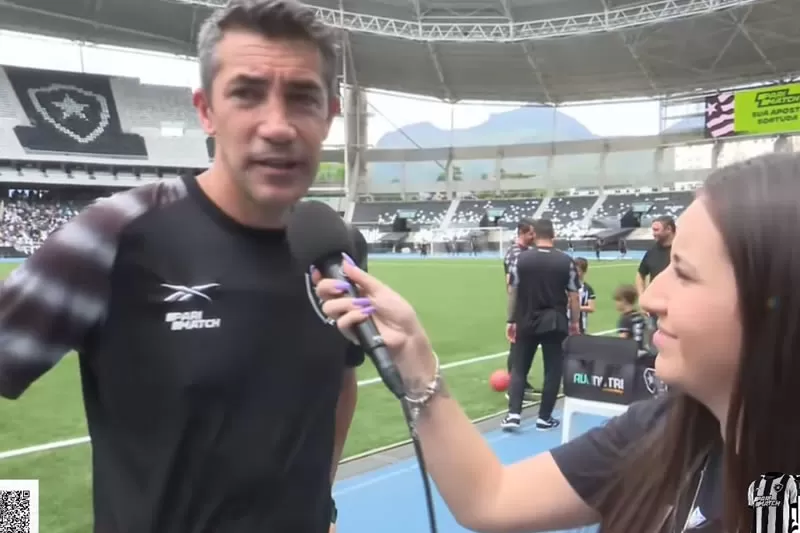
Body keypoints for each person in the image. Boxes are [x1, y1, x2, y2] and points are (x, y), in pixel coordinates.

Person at [0, 1, 361, 532]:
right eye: (247, 93)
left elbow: (340, 382)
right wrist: (14, 521)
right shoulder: (113, 235)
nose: (278, 126)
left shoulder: (335, 245)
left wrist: (320, 504)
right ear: (205, 110)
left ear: (329, 115)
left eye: (303, 98)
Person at [314, 152, 800, 533]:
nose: (654, 299)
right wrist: (416, 358)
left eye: (686, 274)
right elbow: (492, 496)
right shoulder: (664, 424)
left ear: (775, 301)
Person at [501, 218, 580, 431]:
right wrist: (574, 322)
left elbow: (513, 291)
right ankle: (544, 417)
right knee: (553, 369)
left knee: (519, 368)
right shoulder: (566, 261)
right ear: (553, 235)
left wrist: (511, 320)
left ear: (534, 234)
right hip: (555, 320)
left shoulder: (522, 259)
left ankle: (514, 414)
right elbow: (573, 295)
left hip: (526, 318)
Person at [502, 219, 536, 398]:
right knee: (517, 346)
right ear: (522, 233)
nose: (534, 237)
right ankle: (513, 387)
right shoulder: (515, 253)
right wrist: (515, 312)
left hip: (529, 305)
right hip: (521, 307)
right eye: (531, 233)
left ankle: (521, 382)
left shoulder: (526, 251)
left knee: (524, 345)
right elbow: (510, 283)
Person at [636, 214, 675, 295]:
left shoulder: (683, 250)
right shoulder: (652, 251)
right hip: (656, 302)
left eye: (656, 230)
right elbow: (640, 274)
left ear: (668, 229)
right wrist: (642, 296)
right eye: (653, 230)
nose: (654, 234)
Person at [613, 284, 648, 354]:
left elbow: (623, 340)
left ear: (624, 301)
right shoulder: (640, 315)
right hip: (643, 351)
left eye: (617, 300)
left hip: (632, 353)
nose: (615, 304)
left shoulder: (625, 319)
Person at [573, 257, 596, 334]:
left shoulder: (588, 289)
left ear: (584, 271)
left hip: (581, 326)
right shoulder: (566, 286)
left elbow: (592, 308)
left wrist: (577, 307)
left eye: (578, 271)